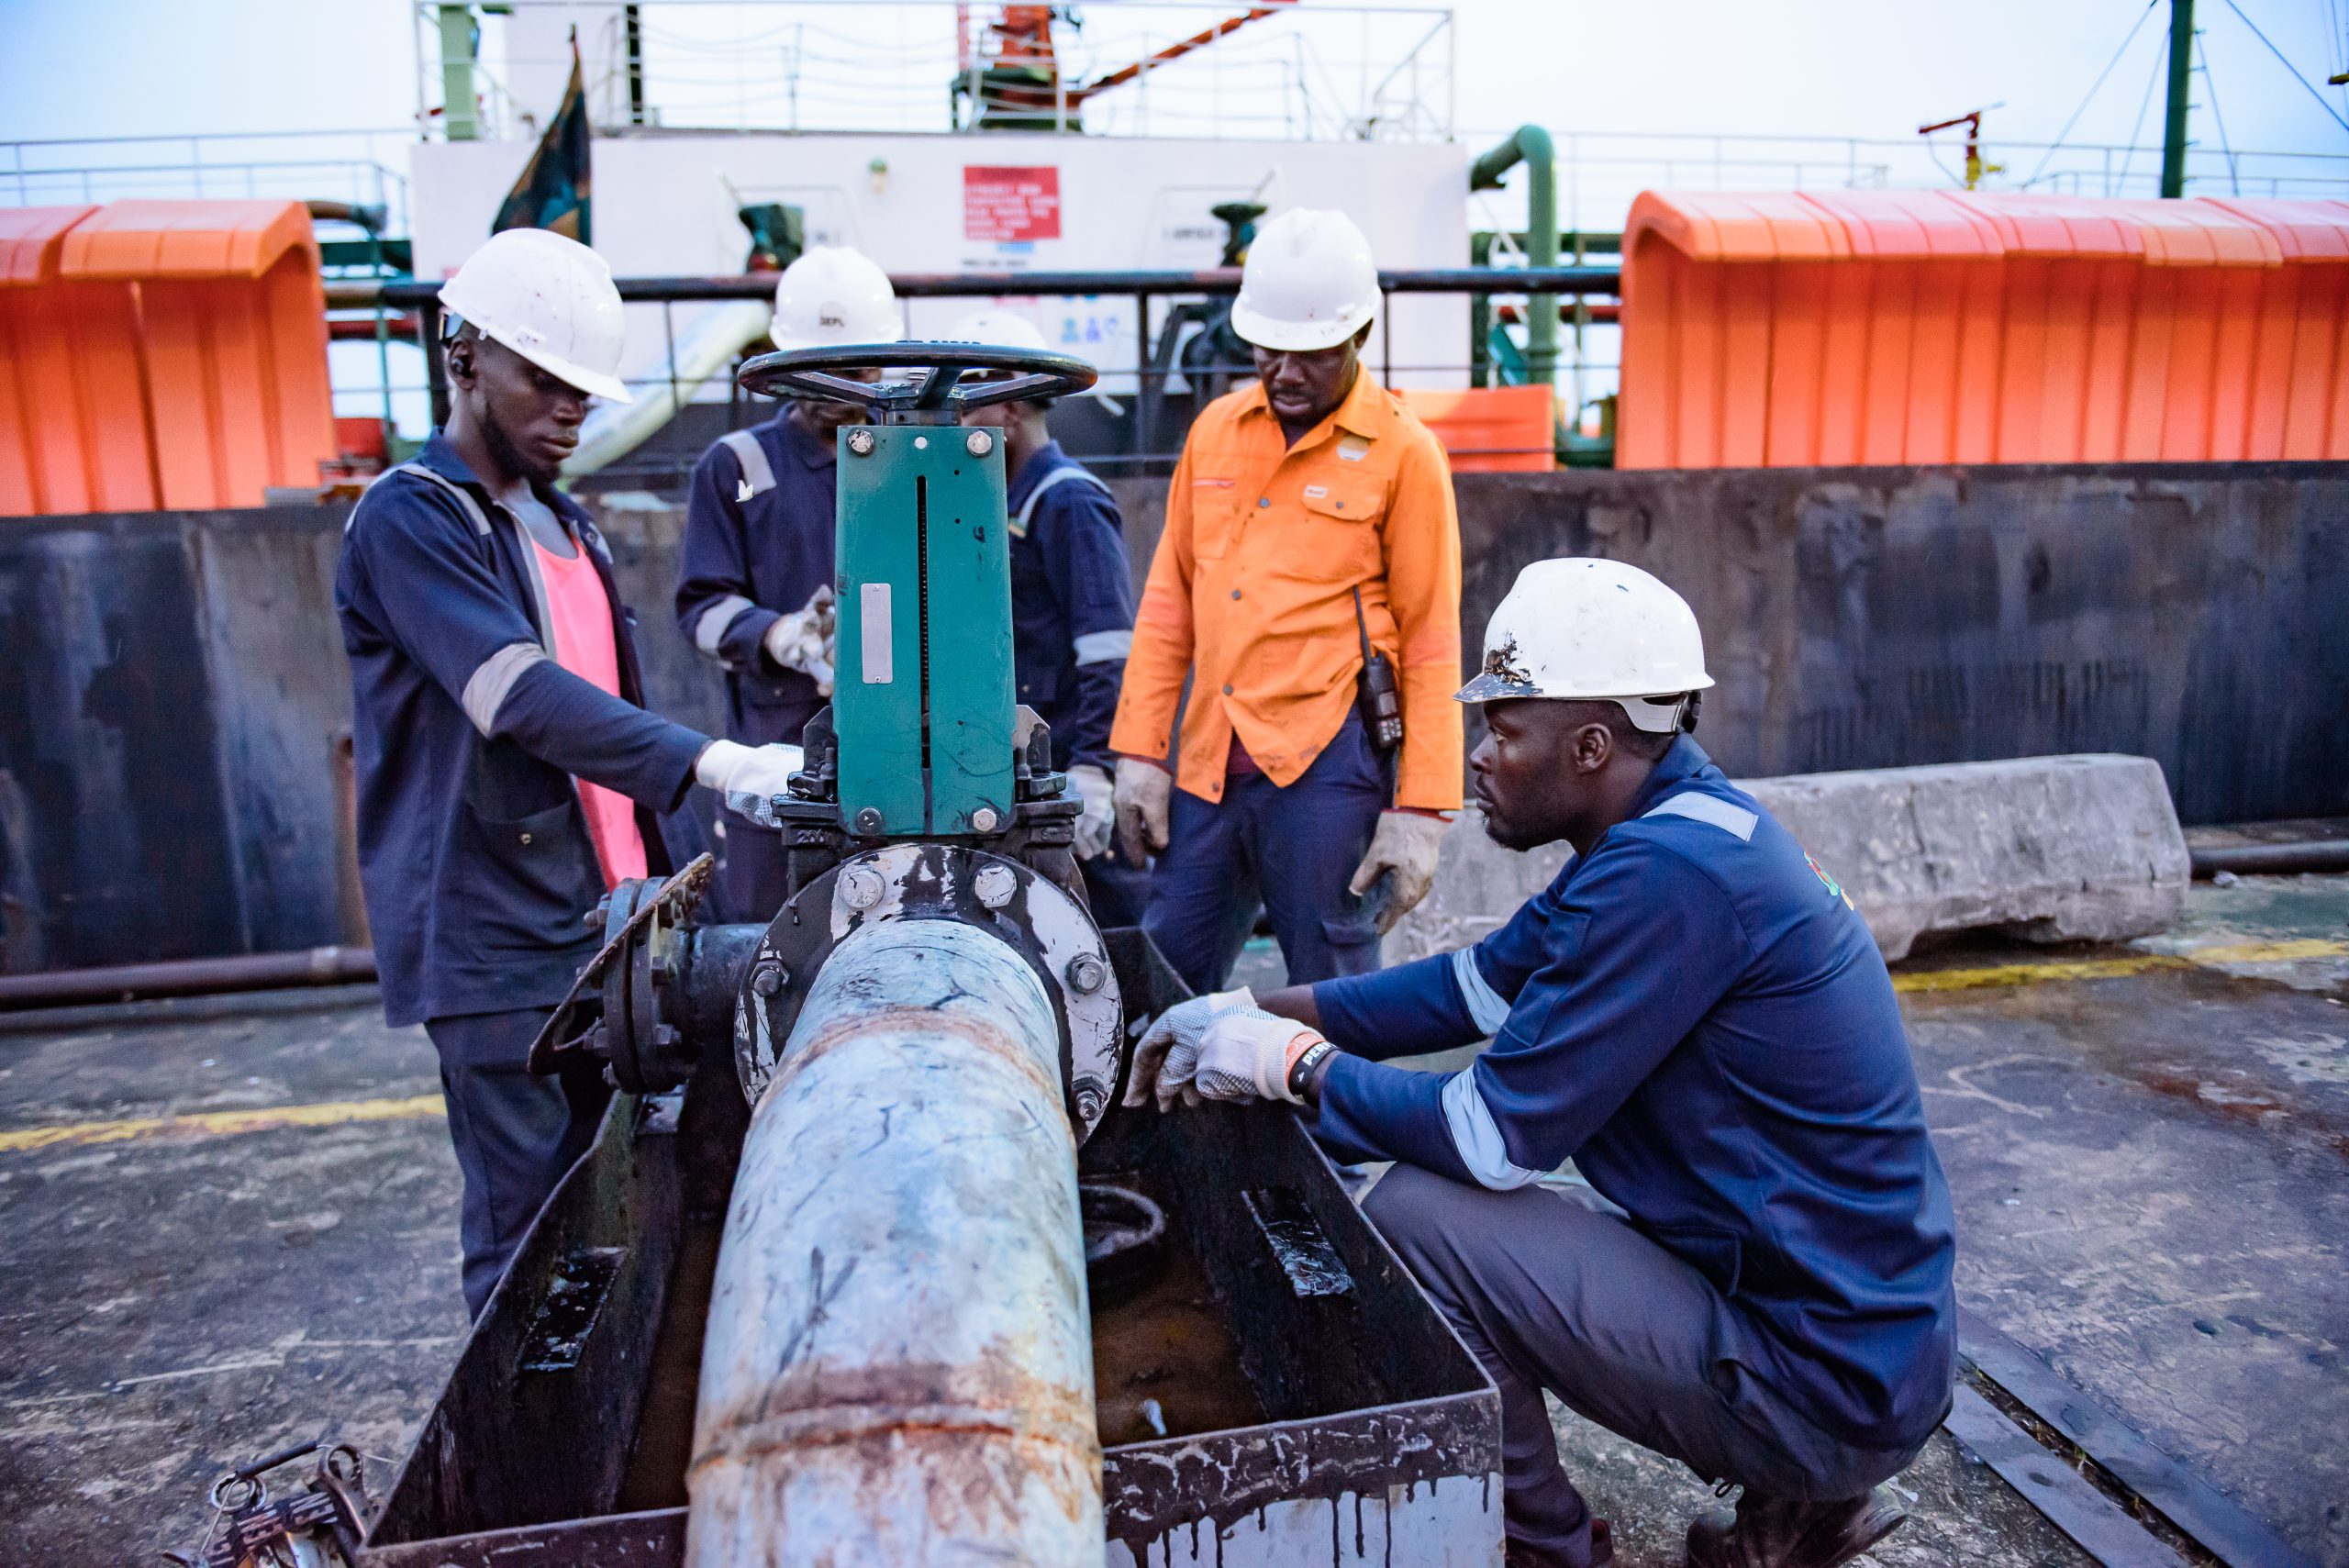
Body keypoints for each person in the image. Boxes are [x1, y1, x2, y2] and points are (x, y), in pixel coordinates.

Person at [1126, 559, 1957, 1568]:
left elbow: (1489, 1138)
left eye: (1504, 729)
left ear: (1591, 744)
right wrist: (1244, 1011)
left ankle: (1553, 1549)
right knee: (1460, 1200)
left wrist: (1293, 1066)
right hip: (1851, 1326)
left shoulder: (1666, 878)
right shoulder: (1673, 829)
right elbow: (1465, 989)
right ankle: (1797, 1511)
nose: (1479, 756)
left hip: (1823, 1374)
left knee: (1416, 1222)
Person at [337, 228, 801, 1318]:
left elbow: (603, 726)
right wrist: (714, 760)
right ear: (464, 355)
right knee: (527, 1238)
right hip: (500, 943)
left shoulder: (566, 524)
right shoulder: (414, 517)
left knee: (611, 1210)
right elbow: (516, 693)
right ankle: (517, 1429)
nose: (568, 408)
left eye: (582, 390)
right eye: (543, 379)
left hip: (605, 927)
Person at [1109, 207, 1462, 992]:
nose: (1286, 373)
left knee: (1333, 987)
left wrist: (1422, 812)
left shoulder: (1405, 453)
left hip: (1327, 765)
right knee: (1164, 977)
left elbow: (1432, 637)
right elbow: (1168, 607)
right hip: (1209, 759)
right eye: (1270, 350)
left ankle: (1338, 1085)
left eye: (1313, 354)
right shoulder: (1215, 433)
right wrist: (1139, 754)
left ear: (1360, 335)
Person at [674, 245, 898, 920]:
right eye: (818, 371)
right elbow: (701, 607)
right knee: (772, 941)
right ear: (785, 362)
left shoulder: (912, 458)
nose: (838, 389)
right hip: (779, 757)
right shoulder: (738, 466)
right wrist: (779, 636)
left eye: (855, 370)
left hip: (898, 758)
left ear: (881, 364)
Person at [949, 308, 1146, 925]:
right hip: (1029, 772)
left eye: (968, 407)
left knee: (1107, 938)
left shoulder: (1068, 501)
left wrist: (1094, 769)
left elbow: (1109, 650)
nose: (957, 423)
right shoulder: (1001, 500)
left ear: (1010, 406)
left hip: (1068, 776)